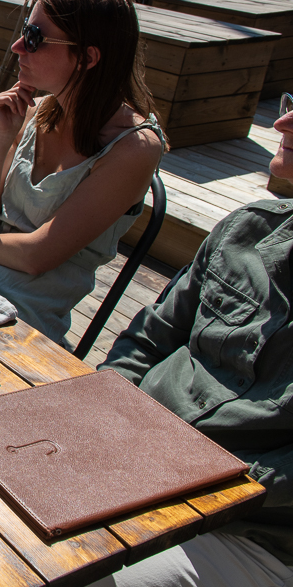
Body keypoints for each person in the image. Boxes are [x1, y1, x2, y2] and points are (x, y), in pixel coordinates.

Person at [85, 92, 293, 587]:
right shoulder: (247, 228)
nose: (283, 120)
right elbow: (146, 341)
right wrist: (94, 413)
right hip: (131, 452)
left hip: (242, 529)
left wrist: (181, 471)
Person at [0, 0, 165, 347]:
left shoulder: (134, 147)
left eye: (36, 37)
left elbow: (36, 256)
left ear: (88, 58)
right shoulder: (37, 112)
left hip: (17, 319)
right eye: (26, 31)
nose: (18, 46)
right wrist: (2, 137)